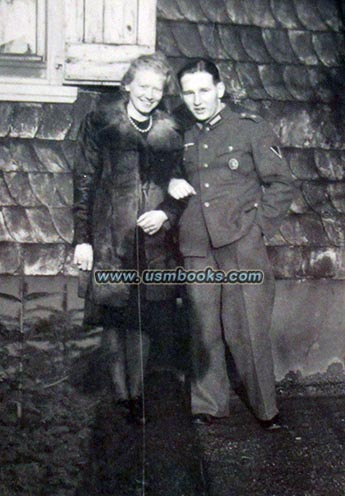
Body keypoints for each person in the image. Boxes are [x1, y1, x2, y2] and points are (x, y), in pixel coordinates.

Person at [168, 59, 293, 428]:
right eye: (189, 93)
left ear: (220, 90)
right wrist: (171, 182)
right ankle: (208, 404)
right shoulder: (184, 135)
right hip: (197, 246)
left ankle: (266, 409)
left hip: (241, 243)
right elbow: (173, 177)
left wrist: (258, 229)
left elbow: (281, 184)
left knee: (247, 328)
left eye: (204, 90)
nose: (197, 100)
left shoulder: (249, 129)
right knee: (203, 327)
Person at [73, 52, 183, 422]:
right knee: (114, 317)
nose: (150, 94)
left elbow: (180, 186)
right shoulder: (101, 123)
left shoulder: (169, 131)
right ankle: (120, 396)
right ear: (127, 85)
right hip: (108, 239)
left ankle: (137, 396)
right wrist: (82, 239)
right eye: (143, 85)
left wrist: (166, 212)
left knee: (144, 318)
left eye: (157, 88)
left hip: (152, 243)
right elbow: (84, 182)